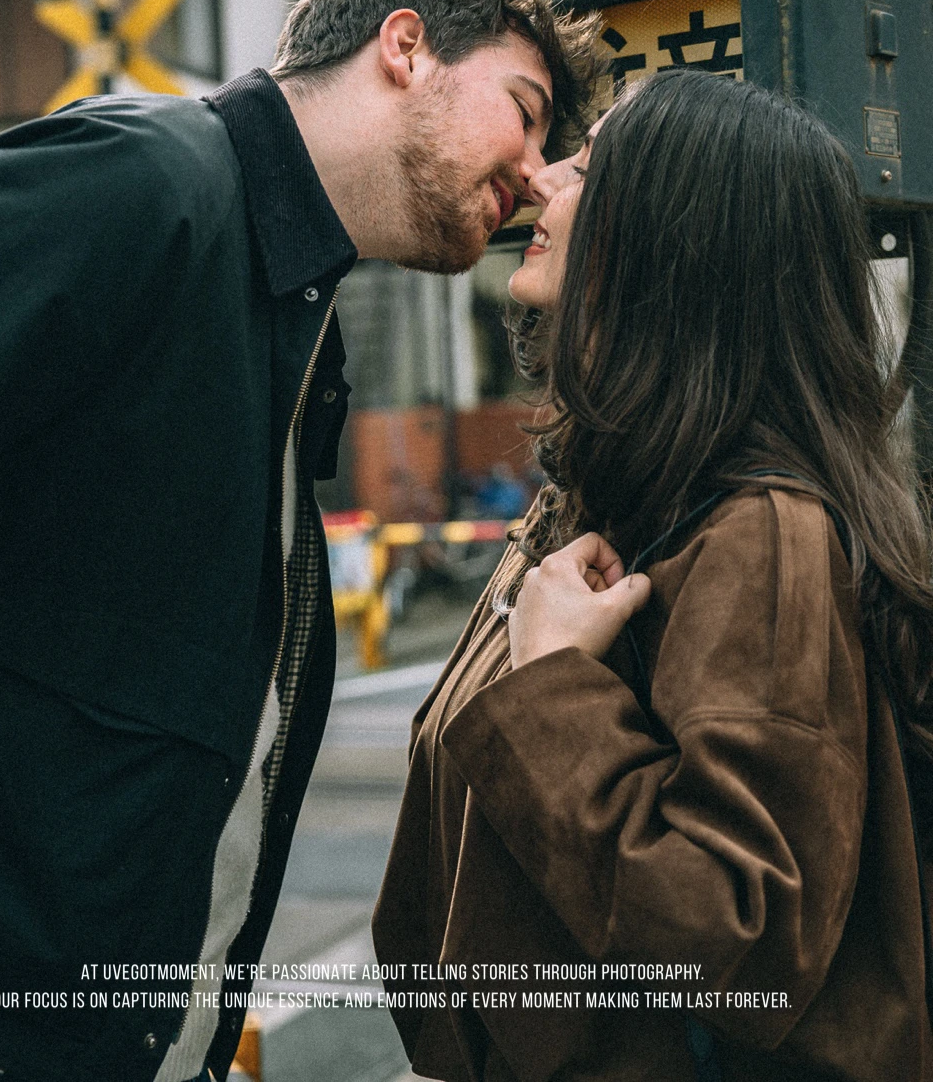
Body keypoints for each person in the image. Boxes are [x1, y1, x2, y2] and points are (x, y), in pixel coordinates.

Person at [0, 0, 599, 1082]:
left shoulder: (286, 304)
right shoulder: (140, 183)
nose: (541, 174)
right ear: (405, 47)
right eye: (527, 109)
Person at [373, 70, 933, 1081]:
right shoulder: (600, 495)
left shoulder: (760, 533)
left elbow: (740, 936)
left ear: (671, 236)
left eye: (588, 166)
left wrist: (553, 691)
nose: (543, 178)